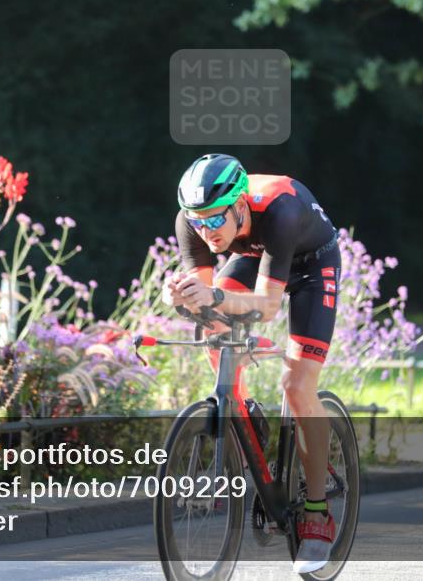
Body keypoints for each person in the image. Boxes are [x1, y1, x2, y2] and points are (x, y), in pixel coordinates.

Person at [162, 154, 340, 573]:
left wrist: (216, 297)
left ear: (240, 205)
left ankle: (317, 513)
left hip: (312, 265)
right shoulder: (193, 221)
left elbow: (267, 306)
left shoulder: (280, 211)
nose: (206, 230)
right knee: (212, 324)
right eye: (197, 221)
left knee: (297, 386)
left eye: (214, 219)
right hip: (257, 257)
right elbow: (205, 302)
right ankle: (244, 417)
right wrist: (182, 298)